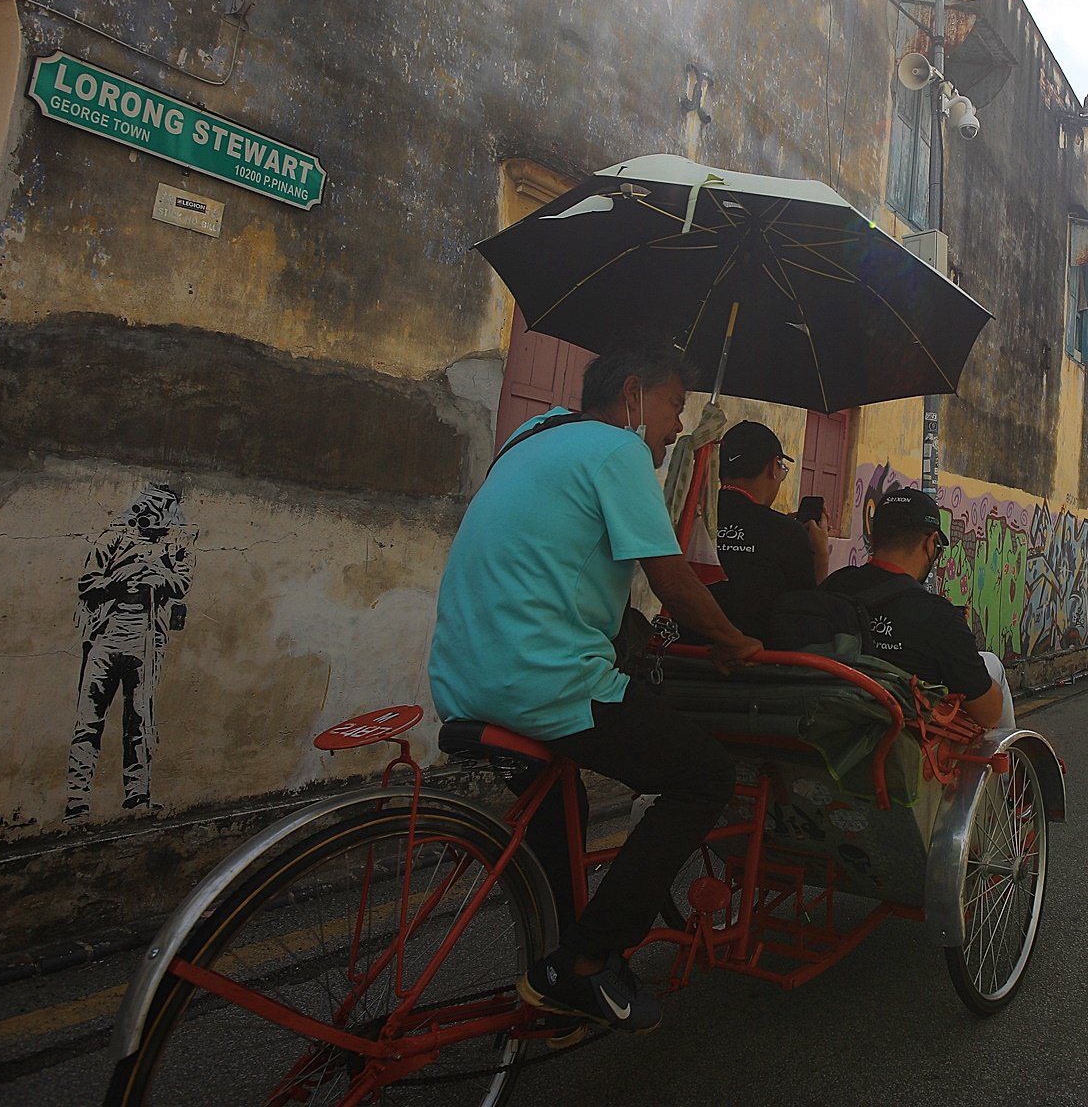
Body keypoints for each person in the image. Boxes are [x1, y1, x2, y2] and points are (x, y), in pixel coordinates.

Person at [427, 344, 762, 1036]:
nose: (678, 426)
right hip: (545, 678)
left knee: (563, 802)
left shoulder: (532, 435)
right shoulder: (618, 451)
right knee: (704, 774)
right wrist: (735, 643)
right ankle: (585, 964)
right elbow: (672, 579)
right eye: (675, 406)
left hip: (463, 680)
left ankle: (557, 957)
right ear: (634, 395)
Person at [823, 486, 1010, 729]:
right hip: (902, 742)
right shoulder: (939, 617)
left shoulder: (833, 586)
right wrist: (960, 644)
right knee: (992, 664)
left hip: (831, 723)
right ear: (930, 543)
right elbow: (989, 714)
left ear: (873, 535)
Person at [710, 419, 829, 636]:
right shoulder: (787, 534)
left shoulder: (693, 516)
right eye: (782, 469)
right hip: (759, 660)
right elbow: (806, 618)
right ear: (774, 467)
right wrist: (820, 559)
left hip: (683, 649)